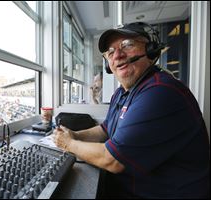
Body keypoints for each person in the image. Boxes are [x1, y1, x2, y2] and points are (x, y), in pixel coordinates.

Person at [53, 22, 210, 198]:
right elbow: (105, 129)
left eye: (127, 45)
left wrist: (69, 144)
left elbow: (113, 160)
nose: (118, 55)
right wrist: (75, 134)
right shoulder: (121, 93)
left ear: (151, 50)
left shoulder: (160, 92)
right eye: (110, 52)